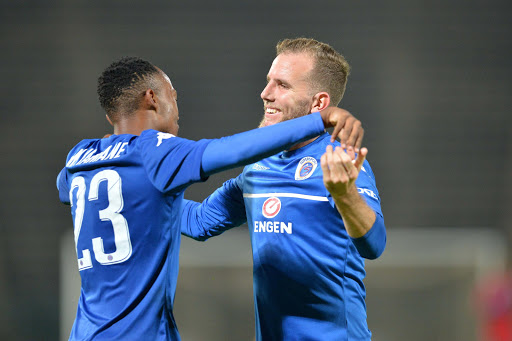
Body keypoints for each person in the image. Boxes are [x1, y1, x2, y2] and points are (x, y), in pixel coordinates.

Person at [55, 56, 363, 341]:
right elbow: (231, 149)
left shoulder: (79, 158)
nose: (176, 106)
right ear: (152, 98)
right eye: (173, 96)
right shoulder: (156, 150)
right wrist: (318, 120)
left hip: (85, 332)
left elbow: (67, 190)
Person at [181, 38, 386, 340]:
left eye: (282, 85)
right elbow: (198, 221)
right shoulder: (259, 164)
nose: (265, 94)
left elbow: (374, 245)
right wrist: (135, 193)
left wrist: (346, 196)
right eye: (268, 82)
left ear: (319, 104)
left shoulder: (339, 159)